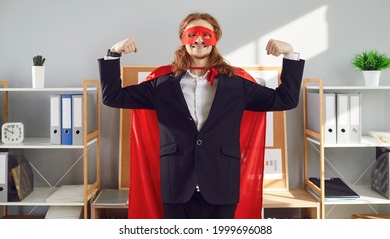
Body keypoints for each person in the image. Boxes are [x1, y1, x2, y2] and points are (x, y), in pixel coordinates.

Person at [98, 12, 305, 219]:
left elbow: (285, 99)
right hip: (176, 185)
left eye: (205, 34)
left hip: (222, 184)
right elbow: (113, 97)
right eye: (192, 34)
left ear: (215, 39)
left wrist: (290, 54)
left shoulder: (236, 84)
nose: (198, 40)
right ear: (182, 39)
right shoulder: (162, 84)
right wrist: (114, 53)